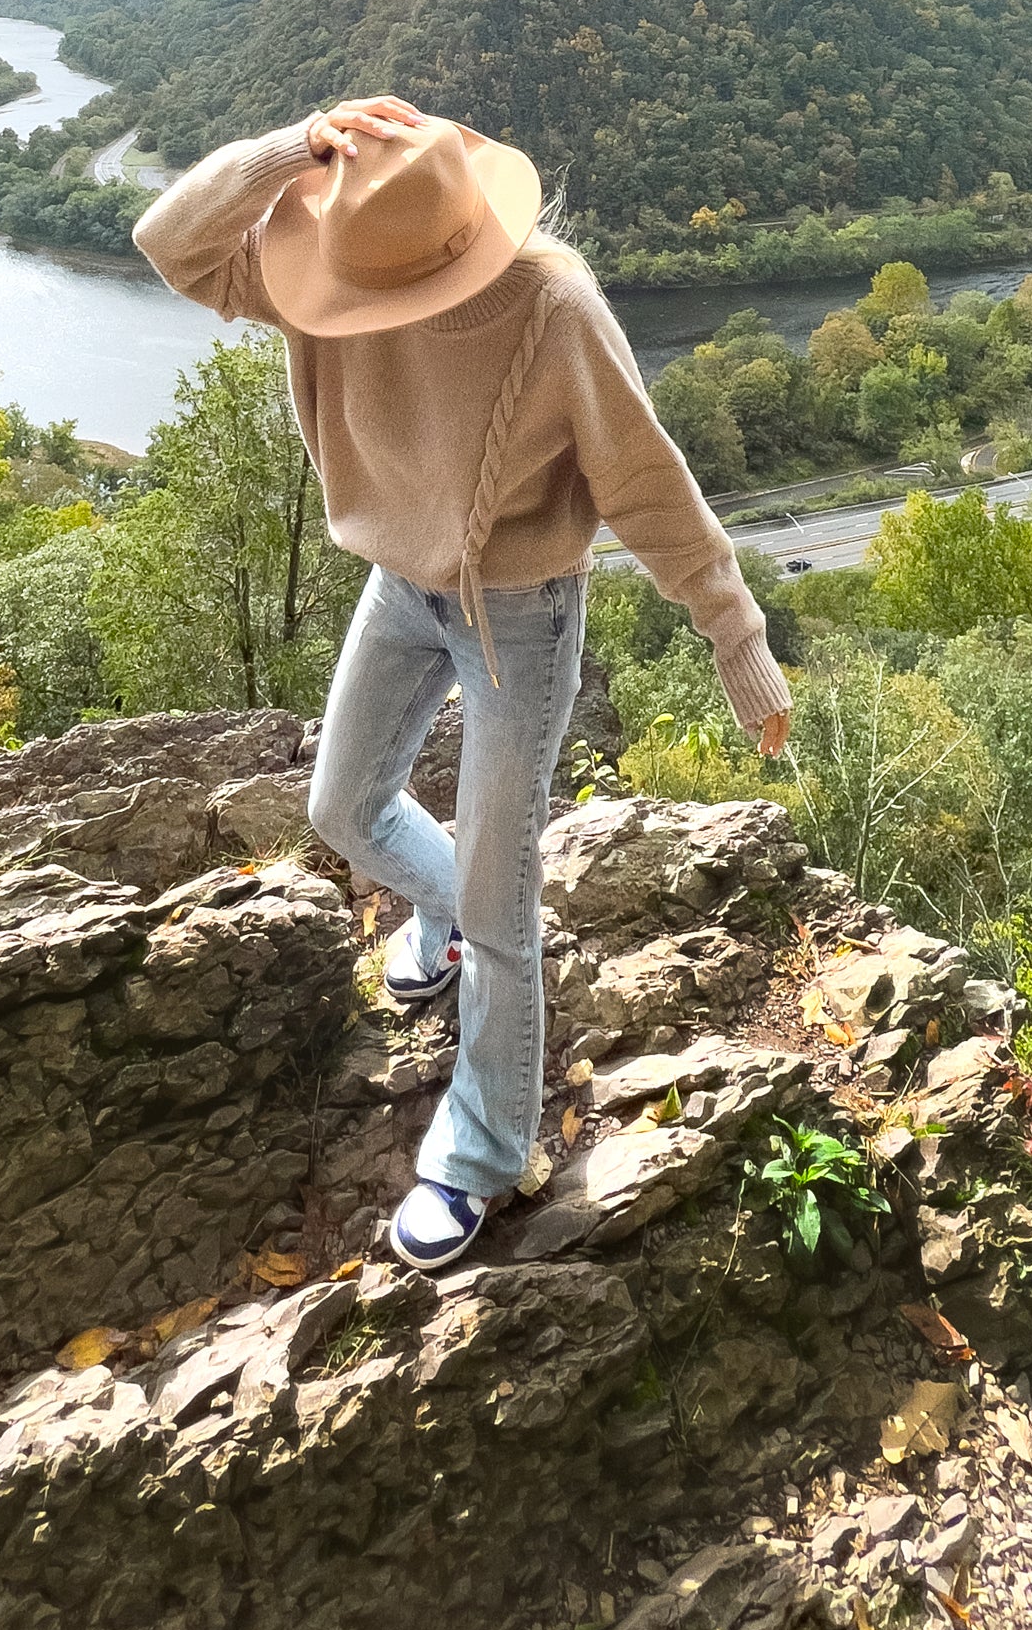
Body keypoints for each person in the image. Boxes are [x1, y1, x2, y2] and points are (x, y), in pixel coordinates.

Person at [133, 96, 792, 1271]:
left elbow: (646, 485)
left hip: (520, 616)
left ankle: (481, 1149)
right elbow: (169, 242)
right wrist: (292, 151)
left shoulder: (550, 305)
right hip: (398, 584)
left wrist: (733, 636)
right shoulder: (323, 276)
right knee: (342, 807)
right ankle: (456, 918)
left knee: (503, 906)